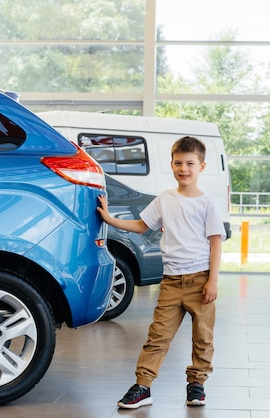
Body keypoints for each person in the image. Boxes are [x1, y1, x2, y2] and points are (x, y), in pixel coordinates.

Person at [97, 135, 226, 409]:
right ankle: (143, 386)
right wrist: (110, 219)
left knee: (202, 337)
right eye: (178, 163)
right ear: (171, 164)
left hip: (200, 280)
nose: (184, 168)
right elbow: (142, 225)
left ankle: (197, 385)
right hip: (171, 283)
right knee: (158, 336)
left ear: (201, 166)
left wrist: (213, 280)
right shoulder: (165, 199)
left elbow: (216, 242)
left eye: (190, 163)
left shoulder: (207, 203)